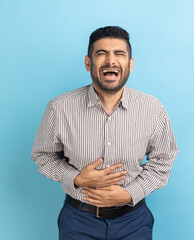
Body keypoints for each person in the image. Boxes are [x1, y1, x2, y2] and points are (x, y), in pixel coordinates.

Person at [31, 26, 178, 240]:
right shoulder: (59, 108)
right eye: (102, 53)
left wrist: (130, 193)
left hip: (133, 221)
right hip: (78, 221)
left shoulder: (153, 109)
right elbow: (42, 155)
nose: (111, 61)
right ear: (88, 63)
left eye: (119, 54)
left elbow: (163, 160)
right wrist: (77, 178)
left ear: (130, 64)